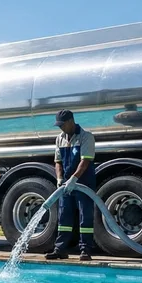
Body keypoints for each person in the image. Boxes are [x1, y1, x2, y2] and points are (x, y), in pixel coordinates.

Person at [45, 109, 96, 261]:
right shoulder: (59, 138)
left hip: (83, 183)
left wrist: (74, 179)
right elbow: (58, 161)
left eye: (62, 125)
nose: (60, 128)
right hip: (66, 185)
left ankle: (85, 250)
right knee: (64, 217)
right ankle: (60, 249)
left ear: (71, 122)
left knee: (85, 217)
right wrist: (59, 178)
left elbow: (85, 161)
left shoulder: (86, 137)